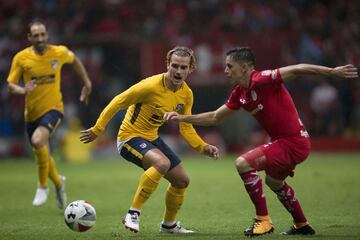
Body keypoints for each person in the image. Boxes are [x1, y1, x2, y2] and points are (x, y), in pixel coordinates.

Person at [164, 47, 358, 236]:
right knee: (274, 182)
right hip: (284, 143)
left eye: (229, 66)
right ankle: (302, 224)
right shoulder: (239, 93)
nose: (225, 71)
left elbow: (298, 69)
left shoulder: (262, 79)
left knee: (243, 163)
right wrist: (182, 118)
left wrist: (332, 72)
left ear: (245, 68)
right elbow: (215, 117)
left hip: (293, 142)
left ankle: (263, 220)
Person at [80, 46, 219, 233]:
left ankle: (168, 225)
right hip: (129, 138)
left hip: (152, 138)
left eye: (183, 67)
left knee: (182, 181)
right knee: (162, 163)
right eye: (175, 66)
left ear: (190, 69)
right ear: (168, 65)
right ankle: (133, 213)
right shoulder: (150, 86)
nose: (178, 71)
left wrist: (203, 147)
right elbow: (117, 101)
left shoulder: (186, 94)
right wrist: (98, 129)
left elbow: (185, 126)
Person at [7, 19, 92, 209]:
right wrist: (23, 90)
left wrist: (87, 82)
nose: (40, 38)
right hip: (31, 113)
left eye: (43, 34)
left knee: (38, 142)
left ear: (47, 35)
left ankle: (43, 185)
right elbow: (11, 85)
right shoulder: (21, 58)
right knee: (40, 150)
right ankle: (59, 183)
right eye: (35, 35)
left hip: (54, 109)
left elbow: (75, 60)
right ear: (29, 37)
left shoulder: (58, 52)